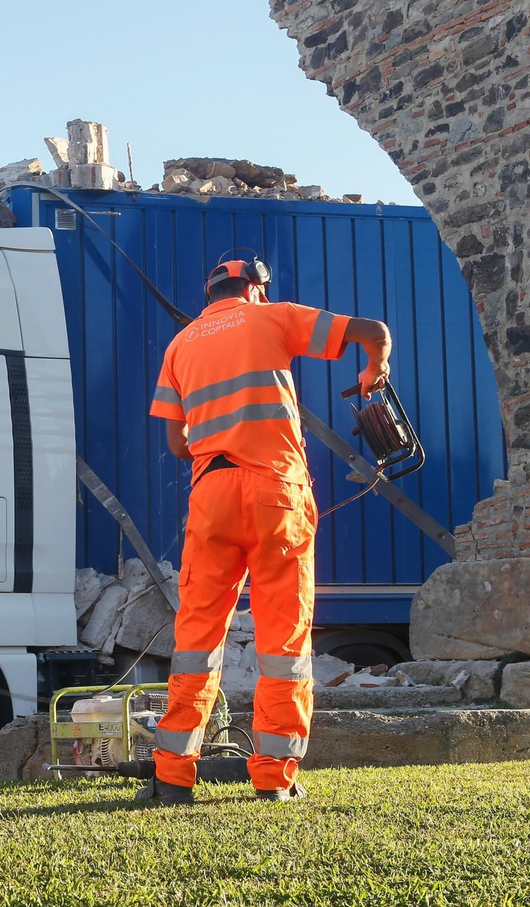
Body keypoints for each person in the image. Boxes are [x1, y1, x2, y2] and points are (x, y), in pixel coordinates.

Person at [144, 255, 392, 804]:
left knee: (196, 640)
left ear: (210, 294)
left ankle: (172, 778)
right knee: (283, 641)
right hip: (275, 492)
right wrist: (375, 370)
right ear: (255, 287)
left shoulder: (179, 346)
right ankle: (274, 780)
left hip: (212, 495)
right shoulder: (273, 317)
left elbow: (176, 445)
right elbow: (373, 332)